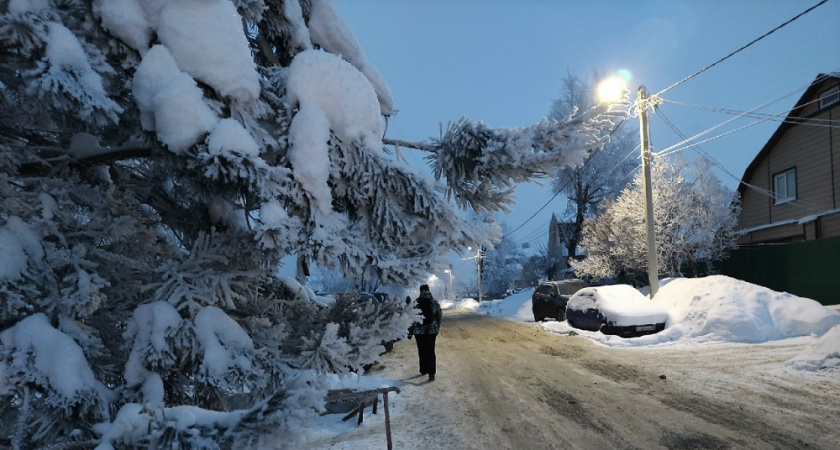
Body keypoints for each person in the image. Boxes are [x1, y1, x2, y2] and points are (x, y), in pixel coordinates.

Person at [408, 284, 442, 381]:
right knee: (430, 350)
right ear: (429, 291)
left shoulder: (416, 303)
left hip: (419, 331)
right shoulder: (434, 302)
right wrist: (437, 328)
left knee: (421, 350)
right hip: (432, 330)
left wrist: (410, 331)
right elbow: (439, 316)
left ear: (420, 291)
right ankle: (431, 373)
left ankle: (423, 370)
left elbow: (412, 318)